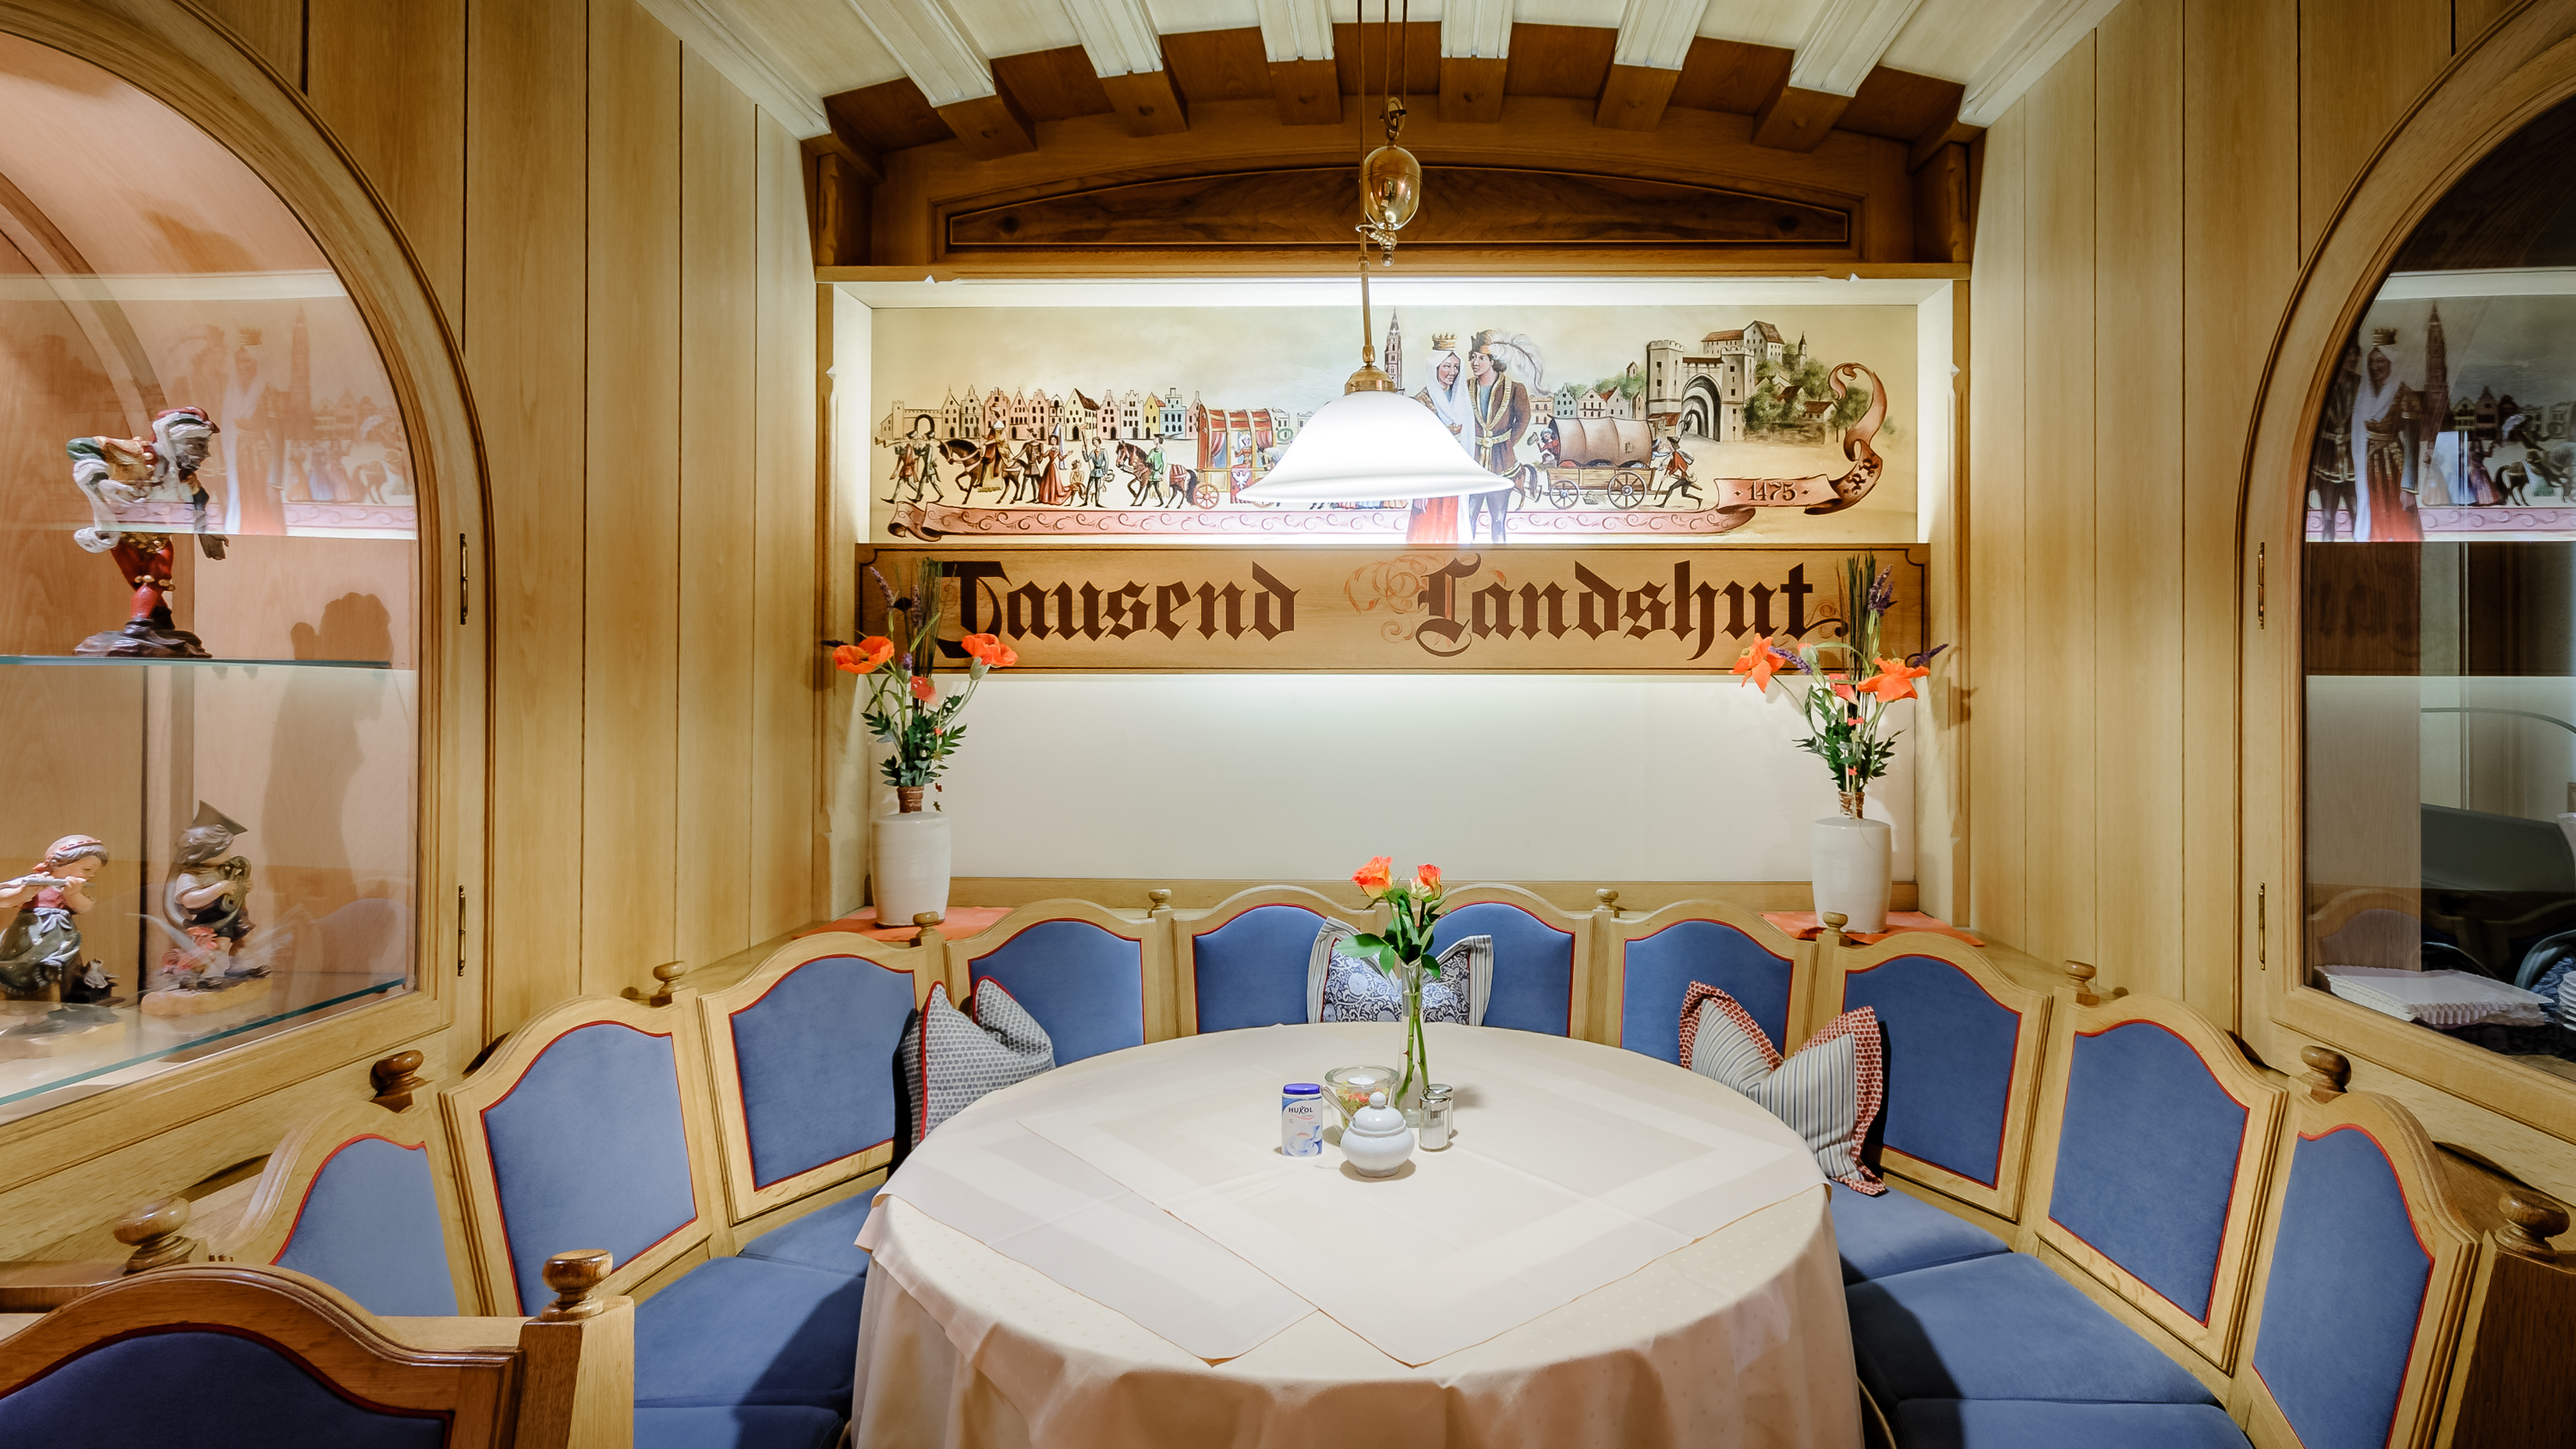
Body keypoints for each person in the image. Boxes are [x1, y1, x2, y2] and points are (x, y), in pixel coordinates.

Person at [1466, 331, 1540, 545]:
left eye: (1481, 358)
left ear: (1493, 361)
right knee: (1468, 518)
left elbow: (1523, 419)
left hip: (1502, 464)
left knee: (1498, 520)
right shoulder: (1465, 387)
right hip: (1472, 463)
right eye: (1473, 357)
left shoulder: (1515, 389)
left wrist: (1506, 445)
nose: (1475, 362)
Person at [2350, 330, 2426, 542]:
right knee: (2375, 513)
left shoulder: (2405, 396)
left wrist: (2408, 488)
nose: (2375, 367)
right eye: (2372, 362)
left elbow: (2412, 446)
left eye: (2381, 361)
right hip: (2369, 464)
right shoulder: (2364, 396)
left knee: (2398, 514)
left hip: (2393, 465)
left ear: (2392, 363)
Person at [1408, 343, 1473, 545]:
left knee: (1451, 527)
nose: (1452, 372)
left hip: (1455, 476)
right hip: (1431, 478)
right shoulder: (1421, 402)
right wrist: (1419, 490)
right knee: (1426, 529)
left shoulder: (1460, 401)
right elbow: (1417, 450)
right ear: (1434, 368)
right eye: (1447, 366)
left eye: (1456, 367)